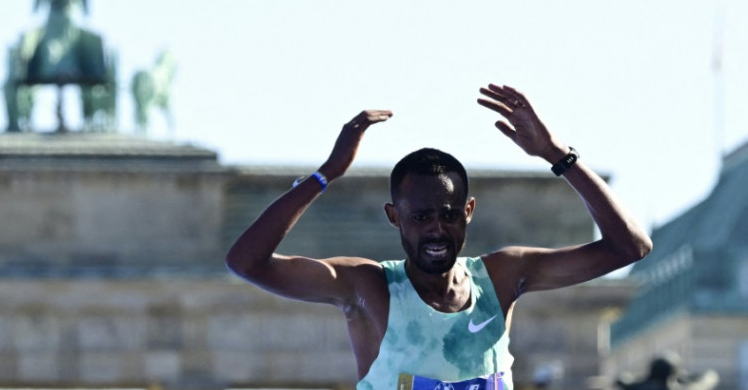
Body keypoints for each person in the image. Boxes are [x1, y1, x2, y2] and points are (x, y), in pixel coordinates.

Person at [225, 84, 653, 390]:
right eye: (422, 216)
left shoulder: (501, 278)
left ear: (468, 212)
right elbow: (246, 262)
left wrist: (558, 155)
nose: (436, 228)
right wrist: (326, 174)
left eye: (449, 215)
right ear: (395, 217)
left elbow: (629, 246)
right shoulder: (369, 288)